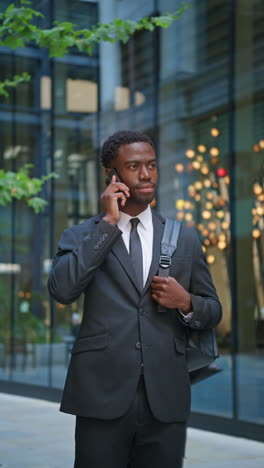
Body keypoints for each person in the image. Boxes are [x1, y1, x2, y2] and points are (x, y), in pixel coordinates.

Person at [48, 130, 222, 468]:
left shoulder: (184, 237)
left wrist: (186, 302)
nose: (146, 175)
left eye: (152, 165)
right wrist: (108, 223)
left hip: (166, 397)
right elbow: (62, 291)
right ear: (112, 176)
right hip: (101, 395)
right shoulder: (82, 235)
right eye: (133, 166)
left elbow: (213, 310)